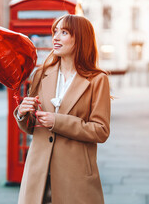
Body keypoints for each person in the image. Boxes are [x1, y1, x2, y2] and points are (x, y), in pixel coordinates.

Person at [14, 14, 111, 204]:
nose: (55, 38)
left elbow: (101, 131)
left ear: (80, 38)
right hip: (38, 173)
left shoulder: (97, 80)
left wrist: (57, 122)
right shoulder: (41, 74)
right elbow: (32, 126)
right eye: (55, 32)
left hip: (74, 175)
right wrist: (22, 113)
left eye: (64, 32)